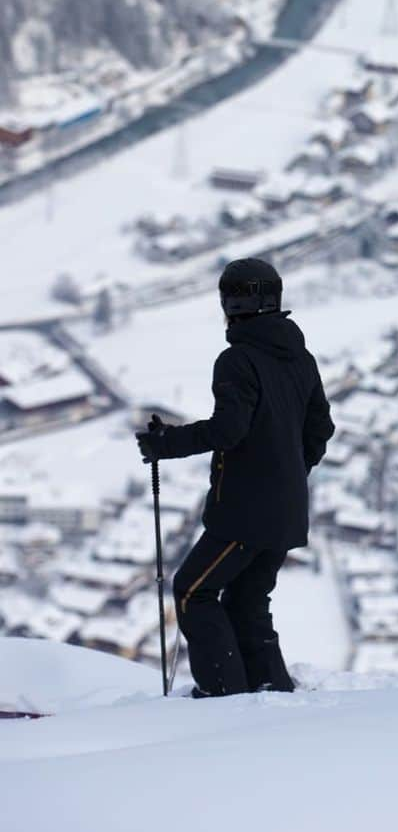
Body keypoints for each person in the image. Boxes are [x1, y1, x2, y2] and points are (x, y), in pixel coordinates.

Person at [136, 258, 334, 697]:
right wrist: (291, 470)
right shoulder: (300, 358)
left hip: (245, 509)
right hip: (287, 510)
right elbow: (321, 428)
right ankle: (269, 690)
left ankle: (224, 696)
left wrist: (163, 444)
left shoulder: (237, 361)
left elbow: (229, 430)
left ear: (231, 303)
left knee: (193, 590)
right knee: (247, 601)